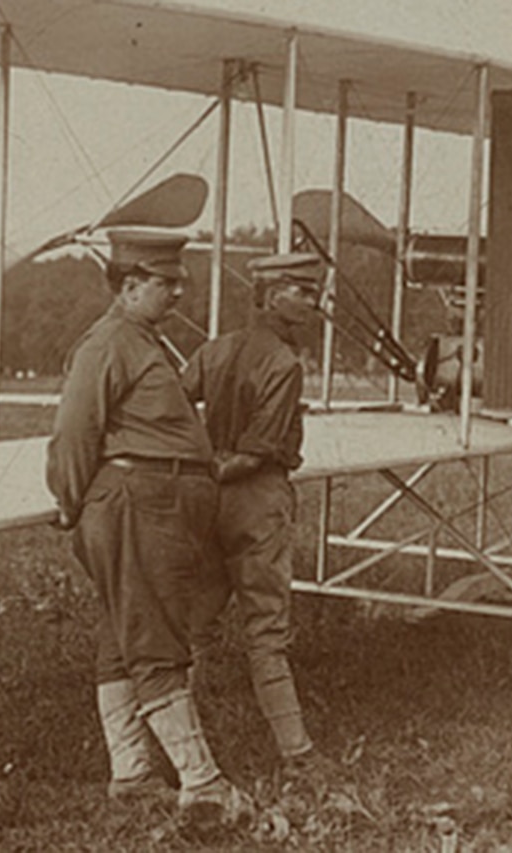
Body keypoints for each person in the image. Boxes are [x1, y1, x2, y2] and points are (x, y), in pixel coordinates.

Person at [46, 228, 253, 824]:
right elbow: (74, 432)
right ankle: (204, 786)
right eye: (169, 283)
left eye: (181, 281)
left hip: (158, 503)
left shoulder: (144, 340)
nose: (181, 291)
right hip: (138, 502)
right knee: (157, 640)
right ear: (130, 285)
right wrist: (69, 500)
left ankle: (133, 774)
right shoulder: (110, 342)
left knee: (124, 639)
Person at [183, 252, 321, 771]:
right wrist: (221, 467)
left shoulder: (214, 349)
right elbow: (261, 451)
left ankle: (180, 745)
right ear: (270, 294)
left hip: (210, 500)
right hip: (257, 498)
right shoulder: (284, 364)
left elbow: (172, 405)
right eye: (301, 291)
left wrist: (198, 466)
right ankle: (298, 753)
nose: (312, 301)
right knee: (267, 629)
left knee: (194, 622)